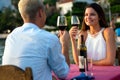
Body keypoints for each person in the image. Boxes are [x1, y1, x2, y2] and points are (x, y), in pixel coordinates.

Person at [2, 0, 70, 80]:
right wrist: (64, 44)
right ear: (40, 12)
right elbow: (63, 74)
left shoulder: (11, 37)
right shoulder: (49, 39)